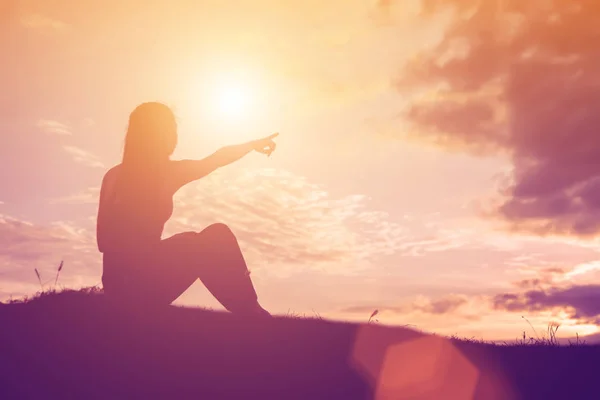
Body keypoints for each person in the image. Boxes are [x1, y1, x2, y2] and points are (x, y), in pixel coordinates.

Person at [96, 102, 277, 316]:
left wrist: (250, 145)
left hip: (122, 285)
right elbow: (215, 160)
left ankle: (250, 310)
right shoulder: (163, 174)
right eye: (170, 128)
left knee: (204, 237)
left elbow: (102, 241)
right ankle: (251, 311)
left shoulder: (115, 176)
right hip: (135, 287)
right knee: (214, 237)